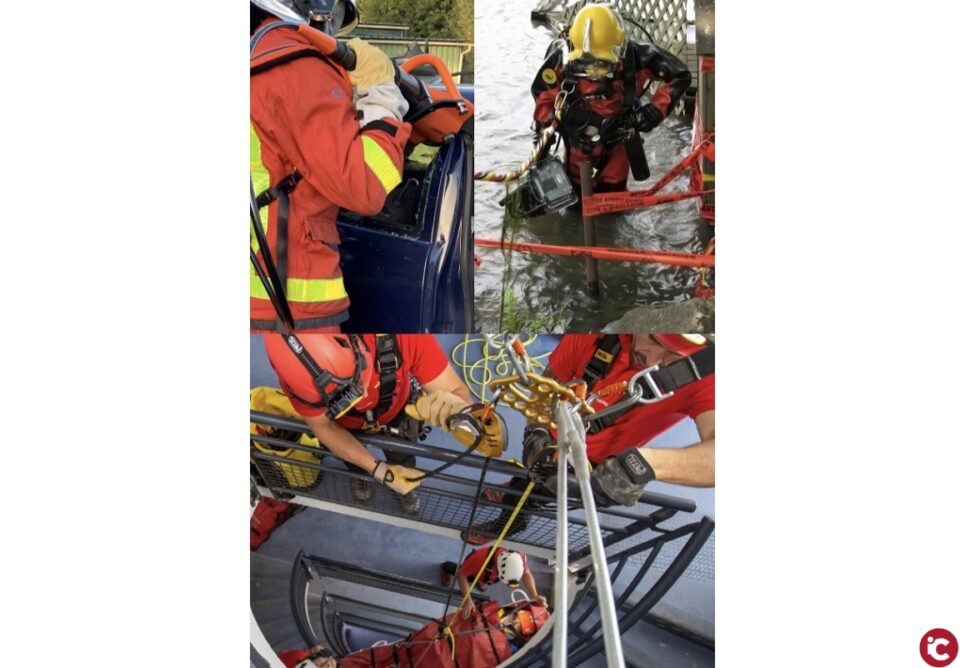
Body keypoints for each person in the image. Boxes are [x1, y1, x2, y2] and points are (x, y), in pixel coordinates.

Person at [250, 0, 412, 332]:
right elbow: (364, 188)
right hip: (287, 299)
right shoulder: (294, 63)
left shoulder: (256, 51)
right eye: (334, 14)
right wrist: (381, 94)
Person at [464, 333, 714, 544]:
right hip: (550, 435)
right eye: (651, 338)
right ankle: (517, 488)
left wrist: (641, 466)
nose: (652, 360)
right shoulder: (591, 337)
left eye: (673, 356)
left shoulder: (705, 372)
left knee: (543, 493)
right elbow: (548, 384)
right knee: (531, 472)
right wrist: (535, 431)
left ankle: (507, 524)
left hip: (600, 467)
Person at [262, 333, 472, 517]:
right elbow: (323, 426)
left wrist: (459, 412)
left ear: (359, 347)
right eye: (341, 397)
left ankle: (405, 488)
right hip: (344, 425)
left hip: (397, 412)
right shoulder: (294, 378)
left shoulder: (404, 333)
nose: (360, 397)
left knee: (403, 457)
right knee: (353, 462)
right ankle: (360, 475)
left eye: (355, 385)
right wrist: (378, 470)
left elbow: (457, 393)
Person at [530, 4, 691, 194]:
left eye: (603, 64)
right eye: (586, 64)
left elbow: (680, 75)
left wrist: (654, 112)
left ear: (619, 47)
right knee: (572, 198)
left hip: (617, 139)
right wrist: (543, 138)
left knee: (612, 200)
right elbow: (543, 95)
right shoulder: (561, 59)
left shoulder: (637, 57)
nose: (595, 71)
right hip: (577, 139)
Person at [439, 547, 548, 616]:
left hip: (489, 576)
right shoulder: (480, 558)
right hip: (474, 571)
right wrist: (468, 601)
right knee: (459, 571)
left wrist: (535, 595)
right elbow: (462, 575)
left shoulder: (519, 557)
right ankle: (445, 568)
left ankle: (483, 581)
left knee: (486, 580)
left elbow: (526, 573)